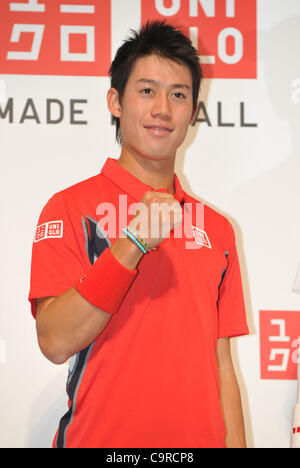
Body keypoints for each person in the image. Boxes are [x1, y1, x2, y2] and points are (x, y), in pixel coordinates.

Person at [28, 21, 249, 449]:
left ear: (193, 110)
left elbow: (222, 365)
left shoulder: (218, 230)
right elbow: (54, 341)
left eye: (178, 94)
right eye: (147, 91)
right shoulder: (71, 208)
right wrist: (133, 242)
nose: (163, 109)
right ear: (115, 100)